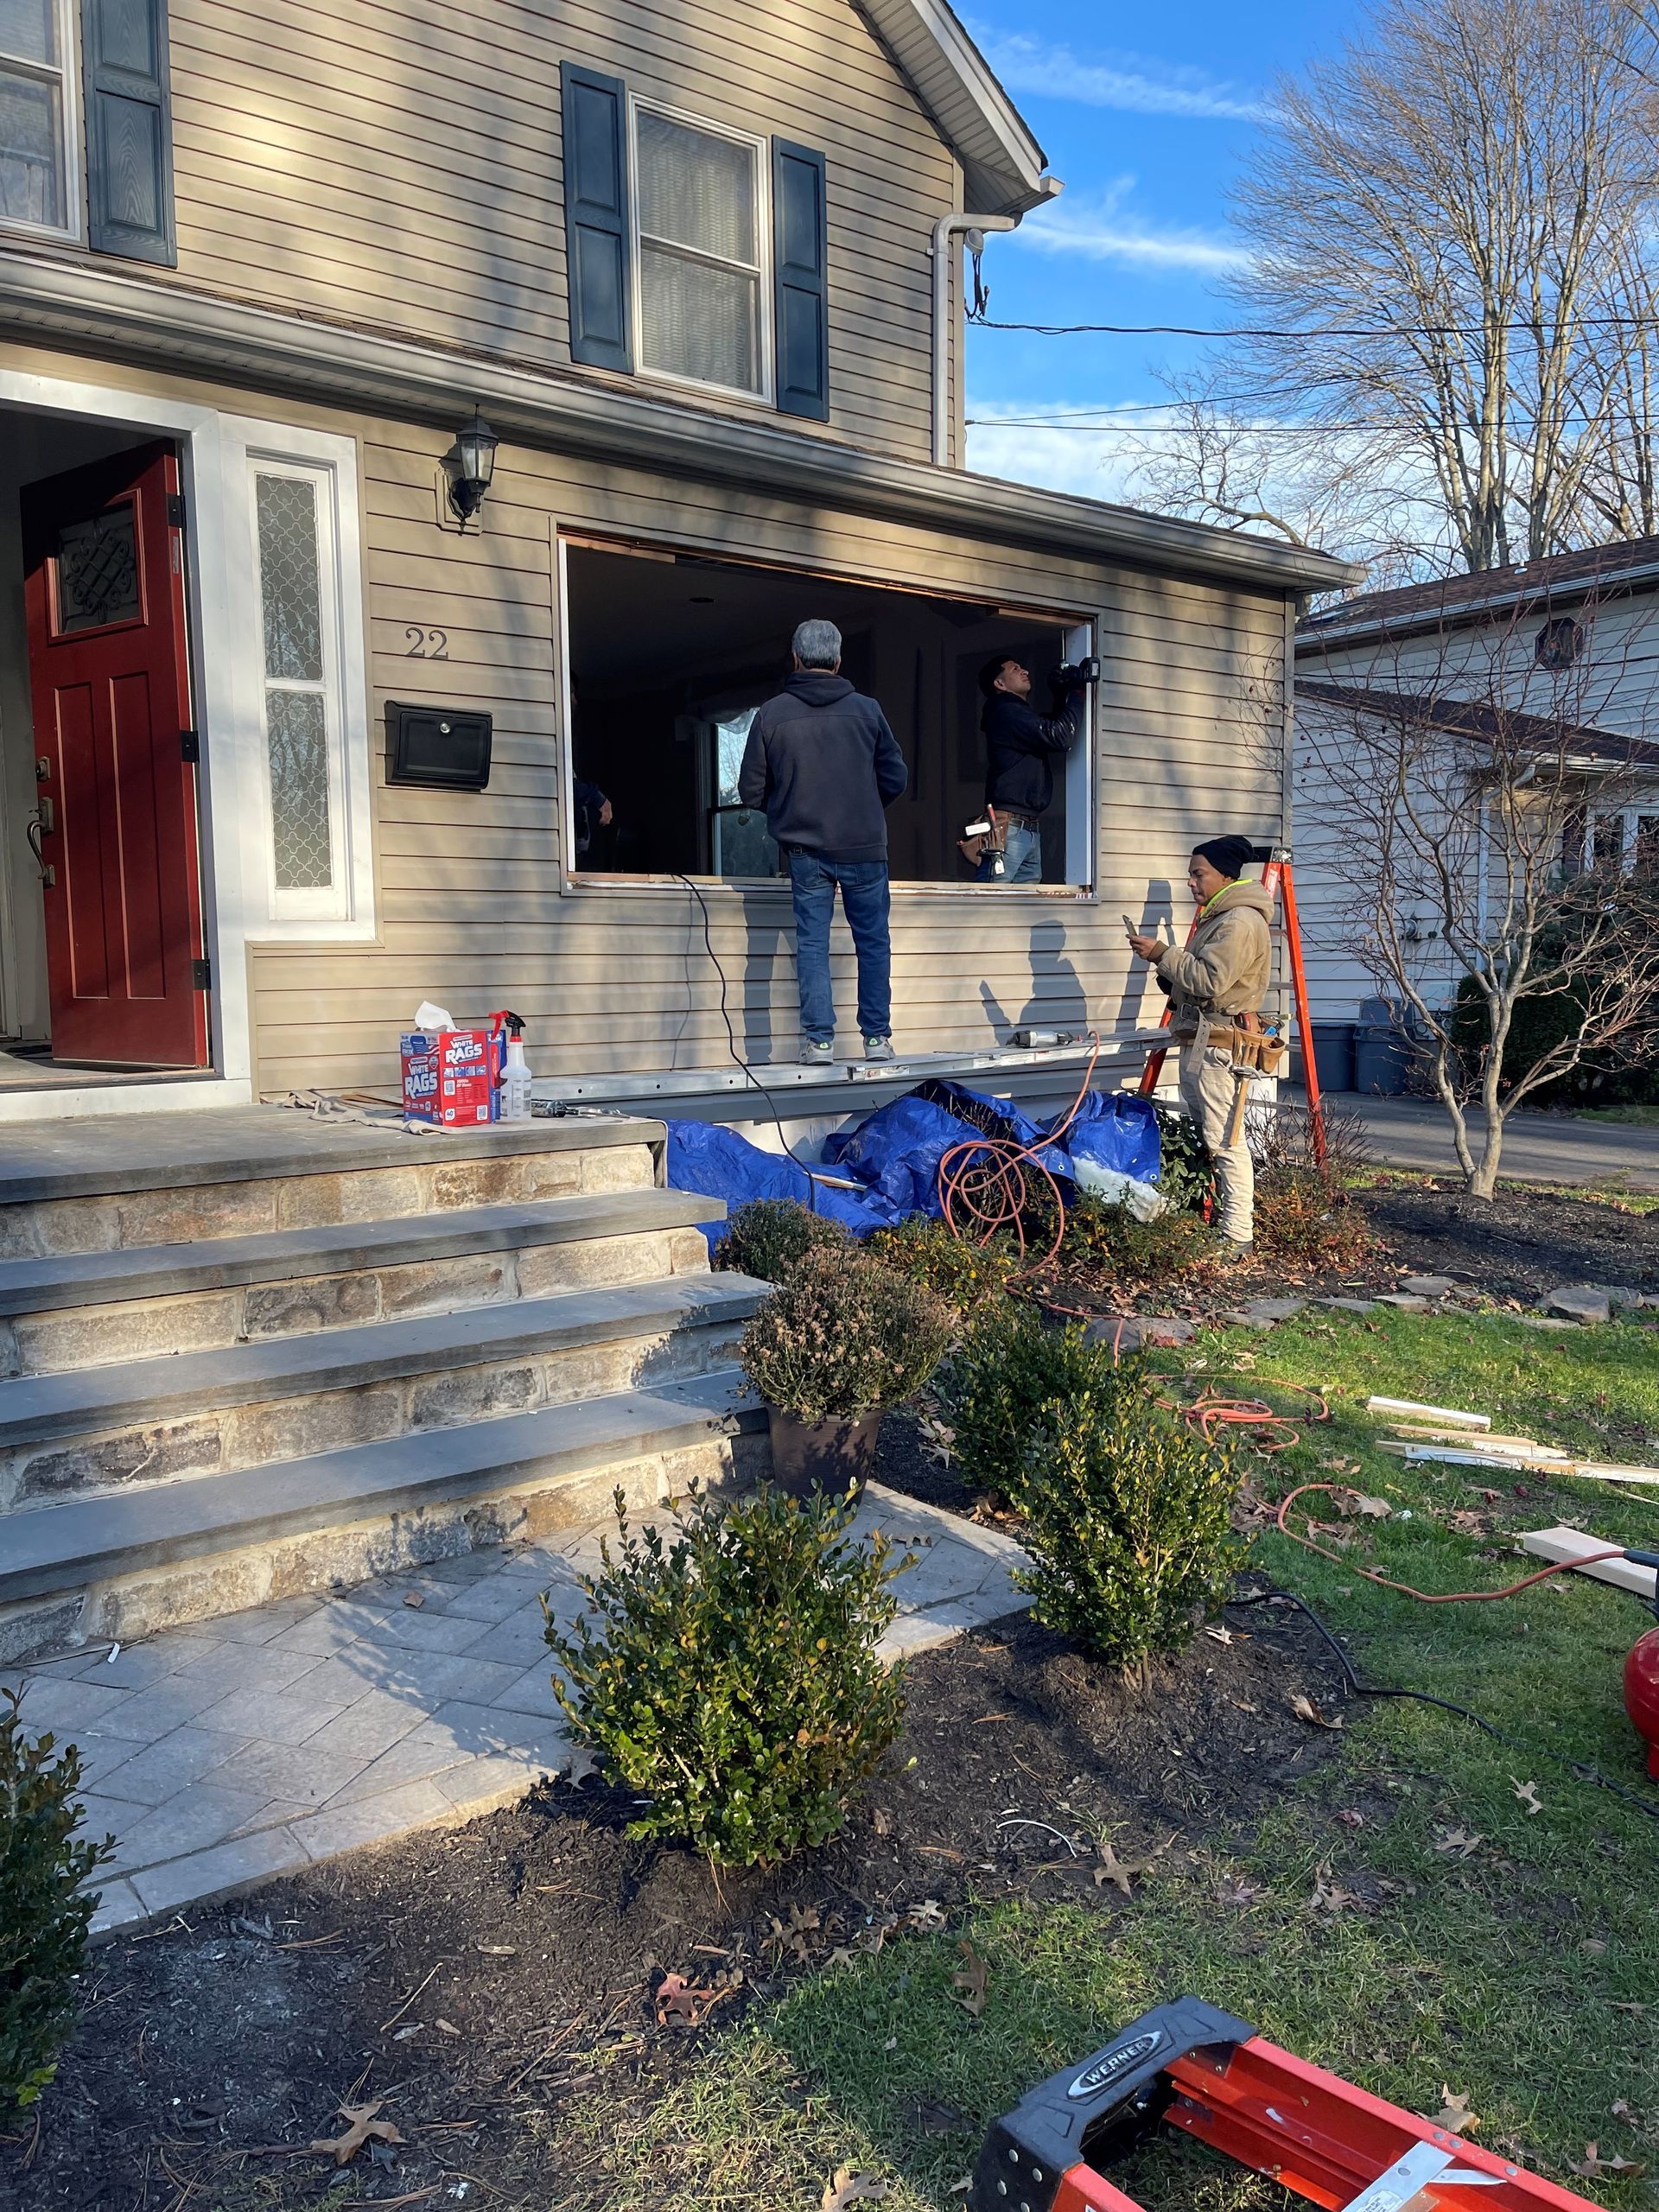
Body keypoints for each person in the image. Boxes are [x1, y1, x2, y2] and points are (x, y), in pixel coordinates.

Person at [738, 619, 909, 1065]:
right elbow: (896, 777)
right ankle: (877, 1040)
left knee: (812, 943)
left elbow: (751, 790)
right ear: (837, 660)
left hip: (805, 850)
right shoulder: (868, 711)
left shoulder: (772, 714)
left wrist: (790, 809)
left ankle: (819, 1043)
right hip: (865, 847)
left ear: (795, 659)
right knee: (872, 942)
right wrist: (865, 809)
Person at [1127, 836, 1274, 1253]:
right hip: (1201, 1038)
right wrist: (1169, 973)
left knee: (1225, 1141)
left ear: (1226, 874)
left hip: (1219, 1045)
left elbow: (1211, 981)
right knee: (1210, 1135)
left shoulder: (1239, 921)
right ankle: (1214, 1221)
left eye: (1198, 873)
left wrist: (1161, 953)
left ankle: (1237, 1235)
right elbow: (1199, 982)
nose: (1191, 882)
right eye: (1191, 874)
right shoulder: (1219, 916)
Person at [975, 656, 1086, 884]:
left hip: (1026, 827)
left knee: (1019, 912)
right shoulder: (1006, 711)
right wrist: (1077, 691)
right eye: (1015, 669)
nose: (1024, 670)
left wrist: (1059, 694)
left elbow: (1050, 730)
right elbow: (1060, 736)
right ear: (1000, 684)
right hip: (1011, 828)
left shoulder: (1015, 713)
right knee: (991, 908)